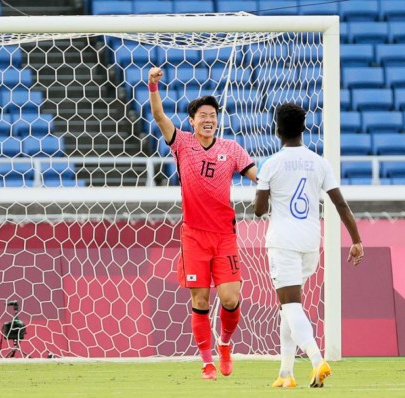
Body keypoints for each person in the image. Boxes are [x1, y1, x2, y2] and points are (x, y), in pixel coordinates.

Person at [148, 67, 258, 380]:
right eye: (203, 115)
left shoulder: (232, 149)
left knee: (230, 298)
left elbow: (255, 176)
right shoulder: (181, 143)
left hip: (225, 236)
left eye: (213, 115)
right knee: (200, 299)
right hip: (193, 236)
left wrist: (271, 183)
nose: (209, 119)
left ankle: (225, 344)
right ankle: (207, 361)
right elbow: (158, 116)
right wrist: (153, 85)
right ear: (192, 121)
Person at [254, 103, 364, 388]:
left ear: (277, 130)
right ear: (304, 129)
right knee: (288, 308)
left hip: (284, 243)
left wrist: (266, 193)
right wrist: (356, 240)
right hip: (310, 243)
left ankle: (317, 361)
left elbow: (258, 209)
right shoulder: (319, 162)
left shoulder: (272, 164)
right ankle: (286, 373)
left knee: (290, 306)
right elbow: (341, 204)